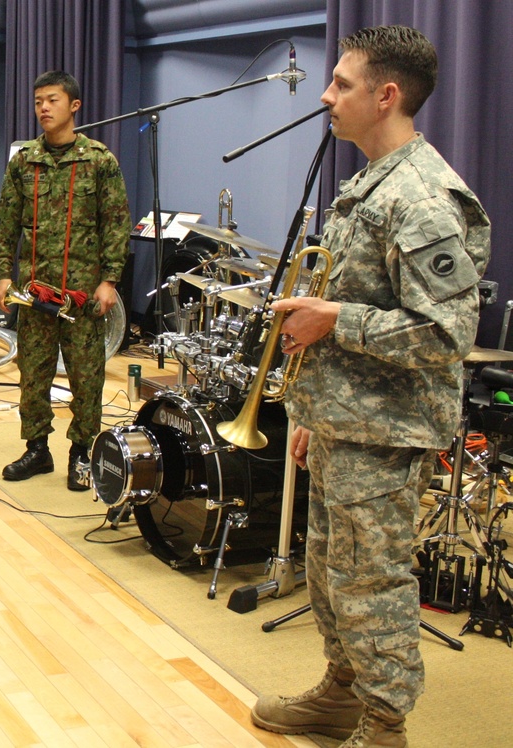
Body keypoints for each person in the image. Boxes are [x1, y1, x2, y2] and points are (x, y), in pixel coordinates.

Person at [251, 26, 490, 748]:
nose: (326, 95)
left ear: (386, 96)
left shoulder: (420, 197)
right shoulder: (369, 182)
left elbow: (447, 333)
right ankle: (341, 694)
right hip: (347, 422)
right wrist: (314, 410)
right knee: (330, 572)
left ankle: (385, 726)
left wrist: (334, 320)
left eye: (342, 84)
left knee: (372, 585)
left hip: (387, 432)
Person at [0, 71, 130, 491]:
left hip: (83, 295)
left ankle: (82, 452)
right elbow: (7, 222)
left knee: (85, 378)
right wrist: (3, 274)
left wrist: (109, 280)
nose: (43, 109)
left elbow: (117, 224)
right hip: (35, 294)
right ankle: (37, 448)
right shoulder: (24, 161)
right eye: (37, 102)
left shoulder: (98, 161)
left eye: (51, 100)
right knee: (32, 375)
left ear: (74, 106)